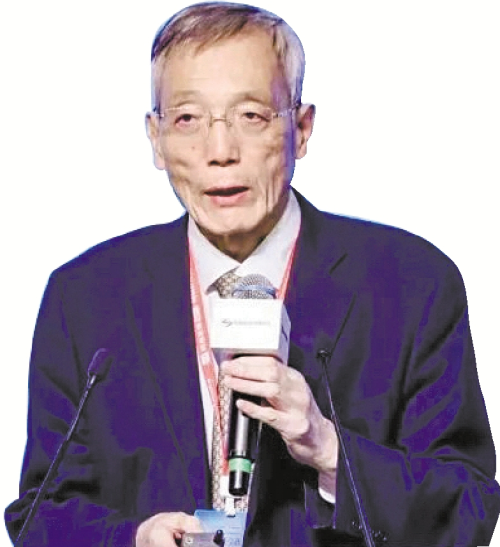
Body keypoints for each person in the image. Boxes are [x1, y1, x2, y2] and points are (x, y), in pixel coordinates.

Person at [4, 2, 500, 546]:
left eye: (252, 116)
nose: (220, 152)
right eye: (188, 120)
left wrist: (329, 451)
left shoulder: (412, 284)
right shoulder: (85, 297)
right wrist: (133, 539)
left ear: (302, 129)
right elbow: (40, 516)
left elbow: (470, 507)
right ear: (155, 139)